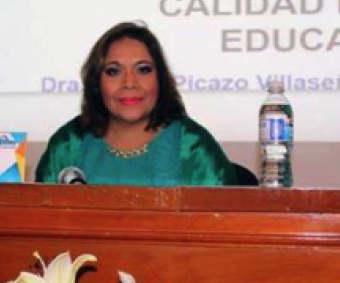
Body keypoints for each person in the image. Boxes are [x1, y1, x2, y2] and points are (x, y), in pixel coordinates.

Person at [36, 21, 236, 186]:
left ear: (160, 79)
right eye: (114, 71)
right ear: (96, 82)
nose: (129, 83)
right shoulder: (68, 144)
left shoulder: (192, 145)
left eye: (143, 70)